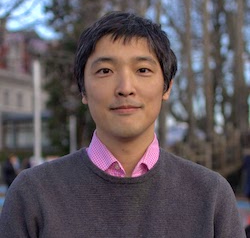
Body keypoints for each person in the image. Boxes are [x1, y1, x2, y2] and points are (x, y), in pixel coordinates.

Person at [0, 12, 245, 237]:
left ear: (167, 86)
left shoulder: (211, 195)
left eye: (143, 69)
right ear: (83, 89)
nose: (125, 88)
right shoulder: (33, 193)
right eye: (105, 70)